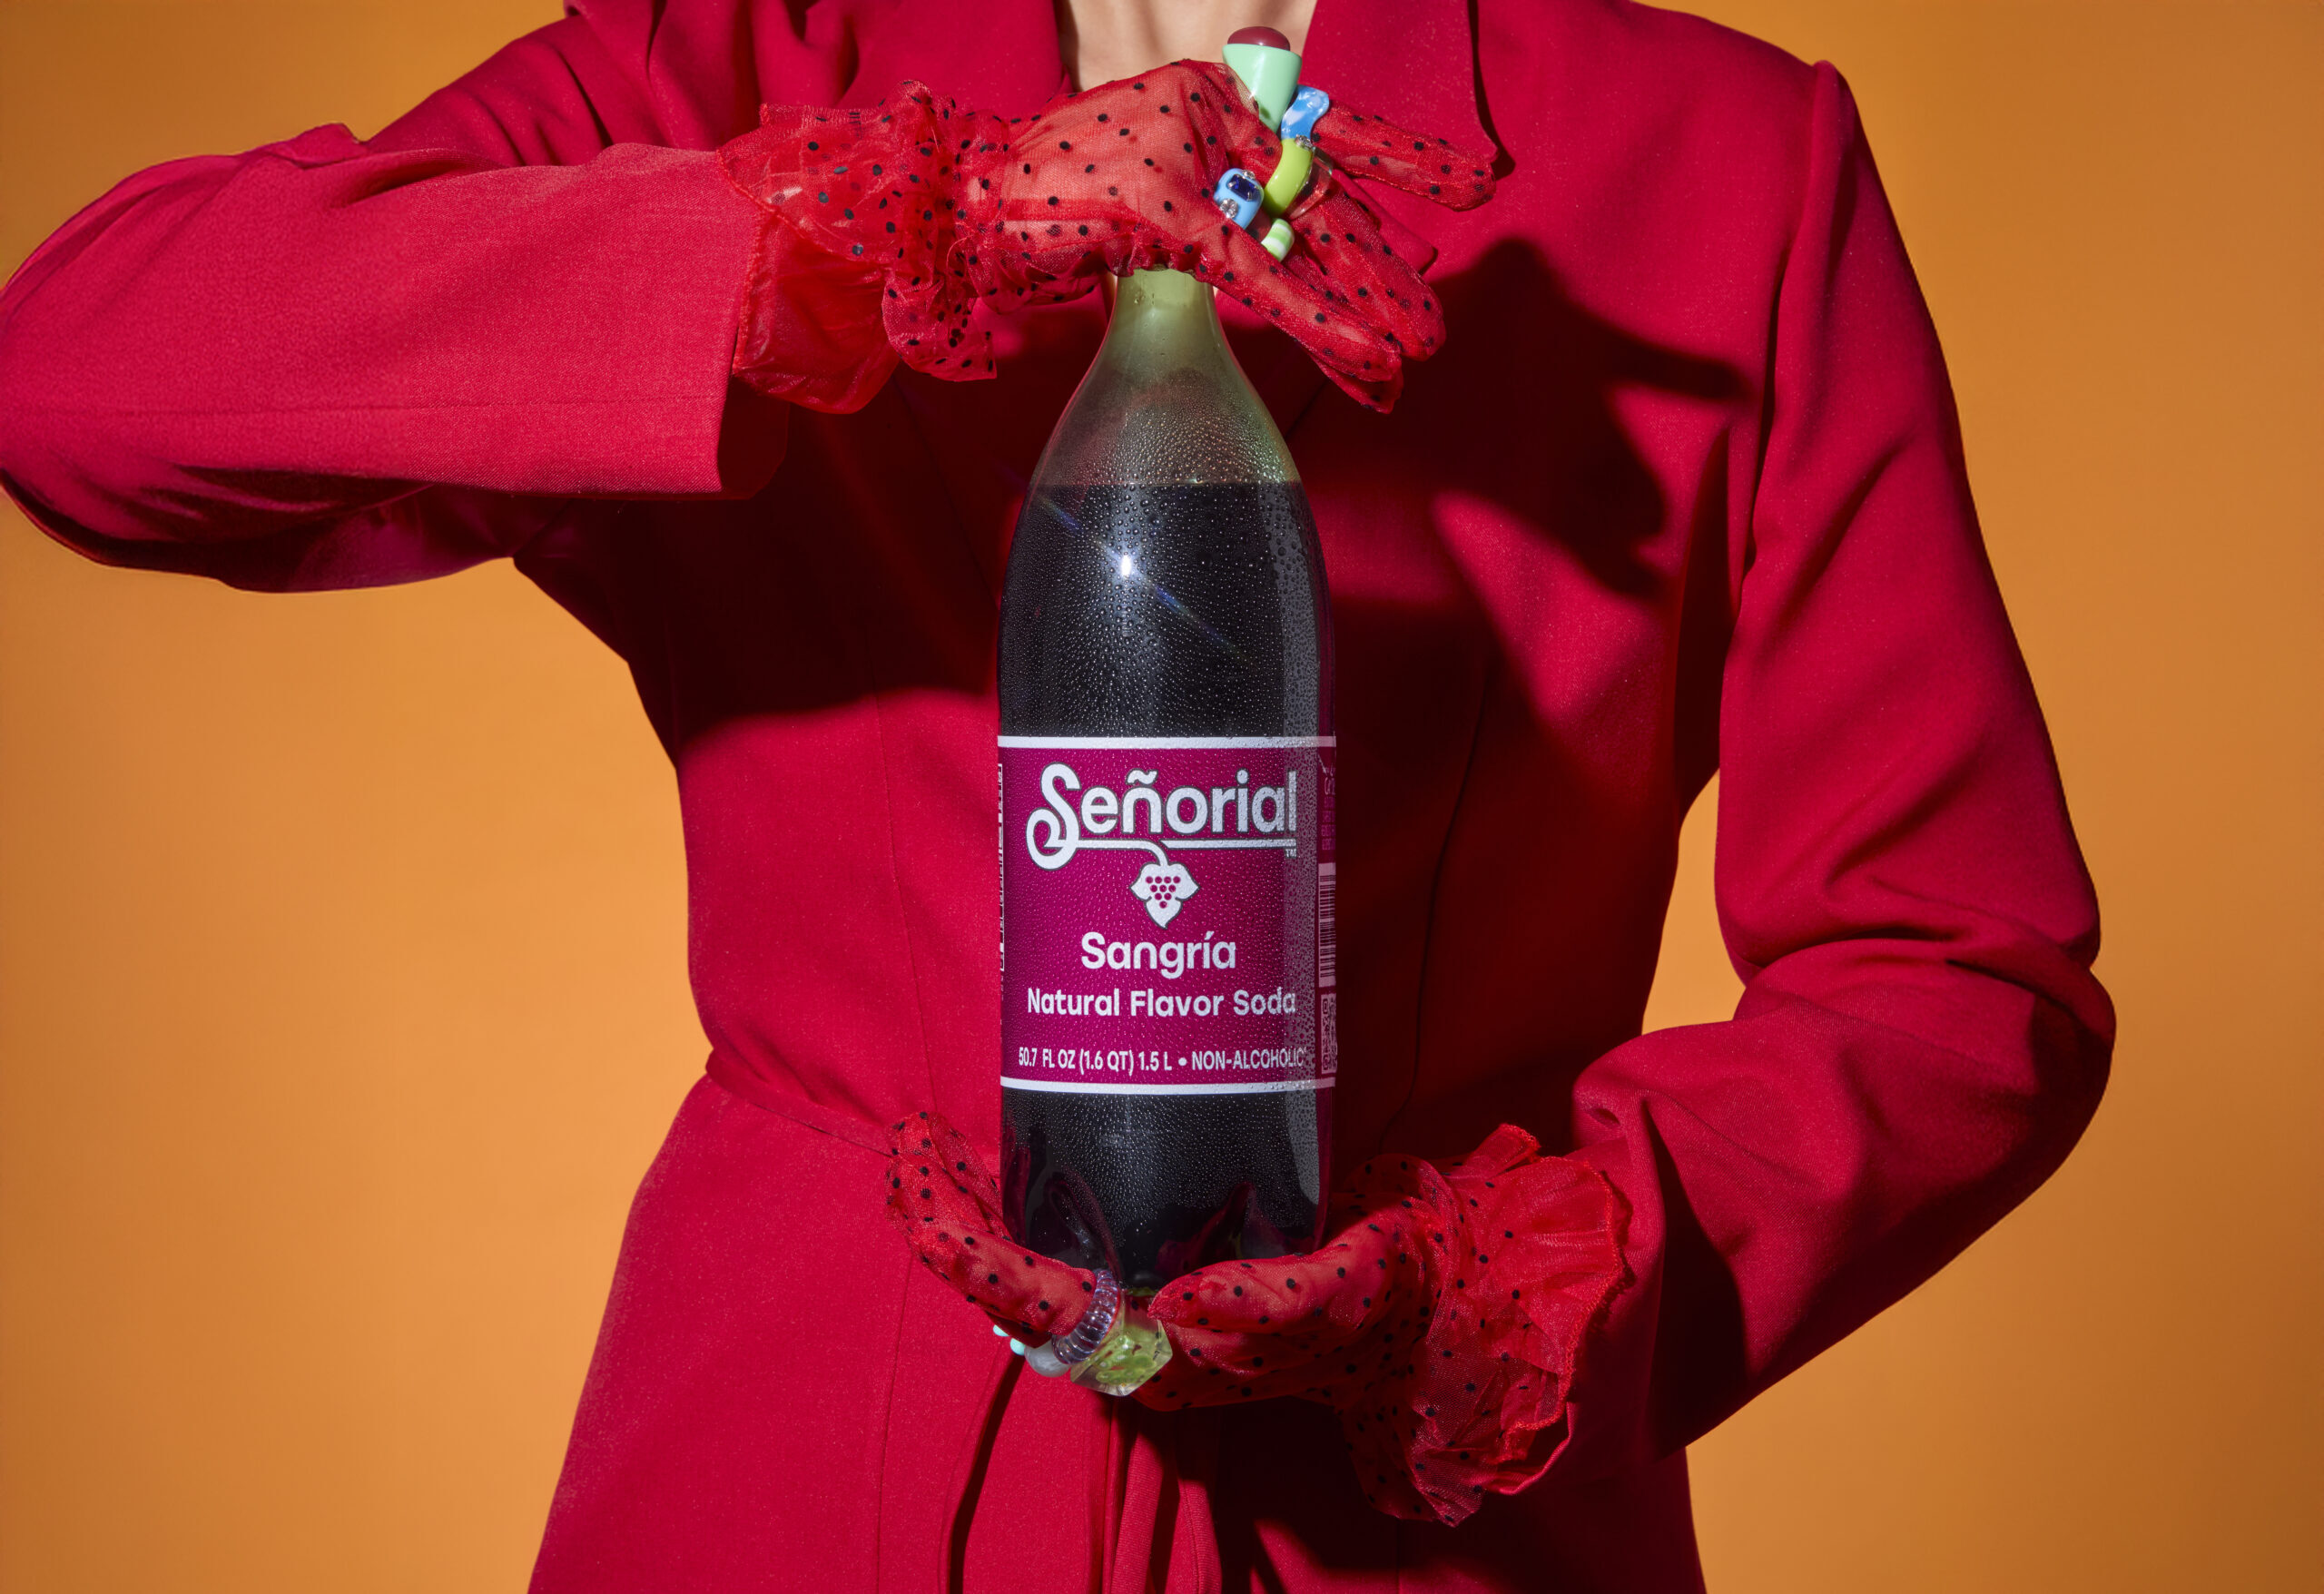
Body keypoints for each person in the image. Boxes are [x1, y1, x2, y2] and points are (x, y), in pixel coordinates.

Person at [0, 0, 2113, 1588]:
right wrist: (873, 228)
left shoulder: (1723, 159)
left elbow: (1950, 964)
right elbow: (81, 376)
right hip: (791, 1463)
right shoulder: (738, 60)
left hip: (1426, 1521)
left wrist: (1494, 1284)